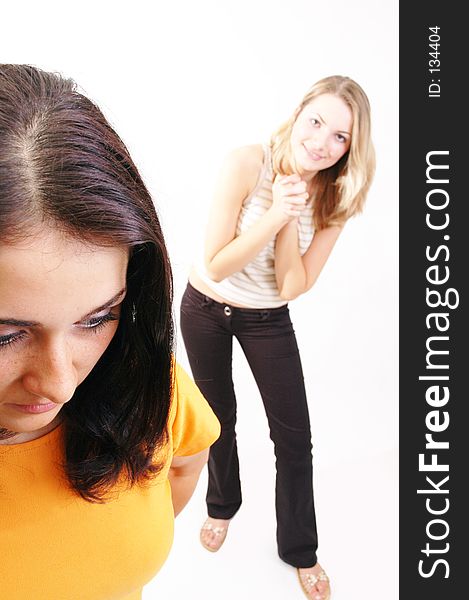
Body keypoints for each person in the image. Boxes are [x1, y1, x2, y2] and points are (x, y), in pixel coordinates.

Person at [0, 64, 220, 600]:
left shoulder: (142, 377)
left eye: (97, 318)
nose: (58, 386)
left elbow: (187, 462)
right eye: (5, 335)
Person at [180, 75, 375, 600]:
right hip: (204, 307)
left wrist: (291, 218)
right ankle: (221, 507)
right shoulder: (247, 162)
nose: (322, 142)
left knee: (293, 438)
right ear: (299, 111)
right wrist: (275, 213)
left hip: (266, 318)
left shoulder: (336, 199)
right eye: (318, 122)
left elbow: (292, 285)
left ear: (350, 149)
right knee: (218, 418)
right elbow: (218, 264)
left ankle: (300, 549)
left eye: (340, 137)